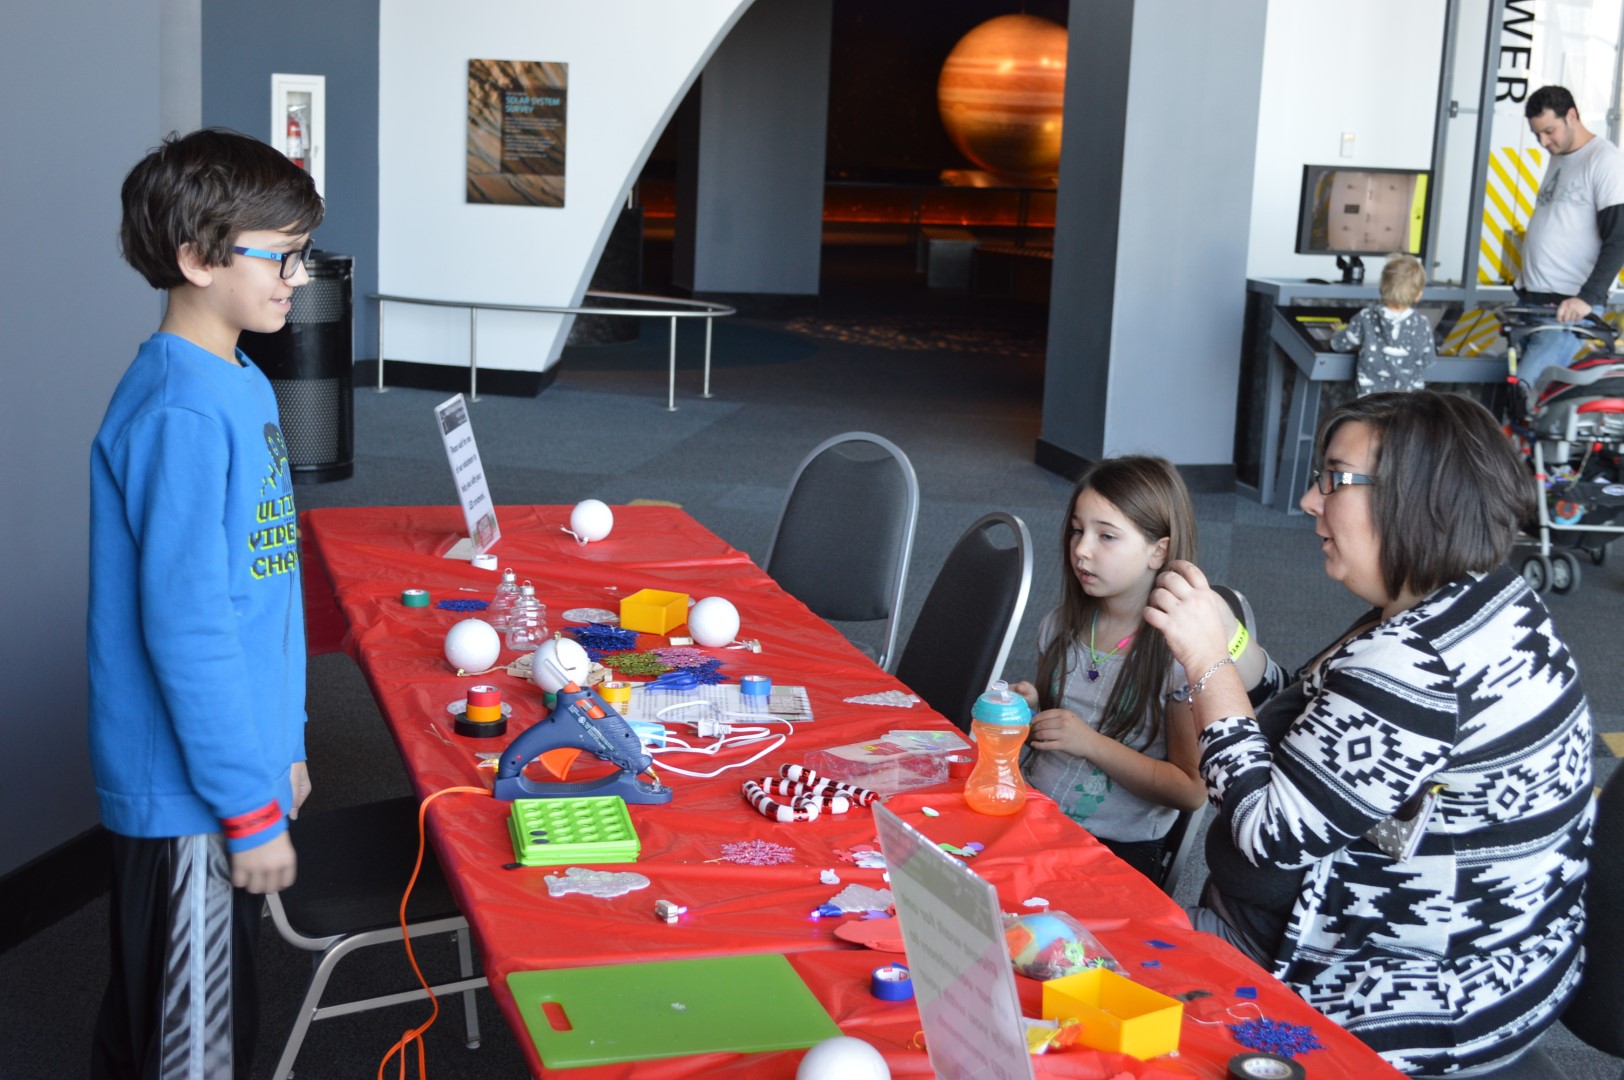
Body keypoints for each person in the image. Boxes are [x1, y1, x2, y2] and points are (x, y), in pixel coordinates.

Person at [1145, 391, 1593, 1076]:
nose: (1309, 501)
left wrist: (1207, 664)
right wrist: (1236, 651)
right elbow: (1326, 734)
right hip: (1499, 971)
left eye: (1335, 478)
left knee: (1069, 978)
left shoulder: (1418, 664)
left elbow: (1269, 836)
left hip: (1399, 1002)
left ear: (1416, 496)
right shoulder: (1480, 598)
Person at [89, 129, 323, 1079]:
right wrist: (247, 810)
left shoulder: (240, 378)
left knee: (176, 1013)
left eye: (303, 256)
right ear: (197, 259)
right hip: (191, 797)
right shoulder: (178, 410)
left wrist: (286, 745)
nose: (298, 278)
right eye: (281, 257)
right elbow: (188, 631)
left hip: (232, 774)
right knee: (194, 1047)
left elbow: (267, 598)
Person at [1010, 456, 1273, 880]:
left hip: (1113, 850)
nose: (1081, 549)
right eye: (1077, 530)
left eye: (1106, 536)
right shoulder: (1059, 626)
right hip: (1034, 812)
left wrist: (1089, 743)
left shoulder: (1177, 656)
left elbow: (1190, 789)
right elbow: (1061, 720)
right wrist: (1032, 709)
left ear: (1158, 551)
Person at [1514, 84, 1624, 388]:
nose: (1543, 142)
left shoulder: (1604, 161)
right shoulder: (1560, 155)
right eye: (1537, 134)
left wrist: (1588, 298)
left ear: (1572, 116)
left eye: (1549, 131)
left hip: (1567, 310)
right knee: (1519, 394)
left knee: (1527, 389)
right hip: (1536, 302)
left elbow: (1619, 238)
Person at [1331, 253, 1437, 394]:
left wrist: (1338, 332)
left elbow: (1339, 344)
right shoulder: (1422, 324)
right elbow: (1428, 361)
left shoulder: (1366, 317)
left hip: (1370, 398)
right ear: (1418, 295)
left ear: (1381, 288)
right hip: (1409, 399)